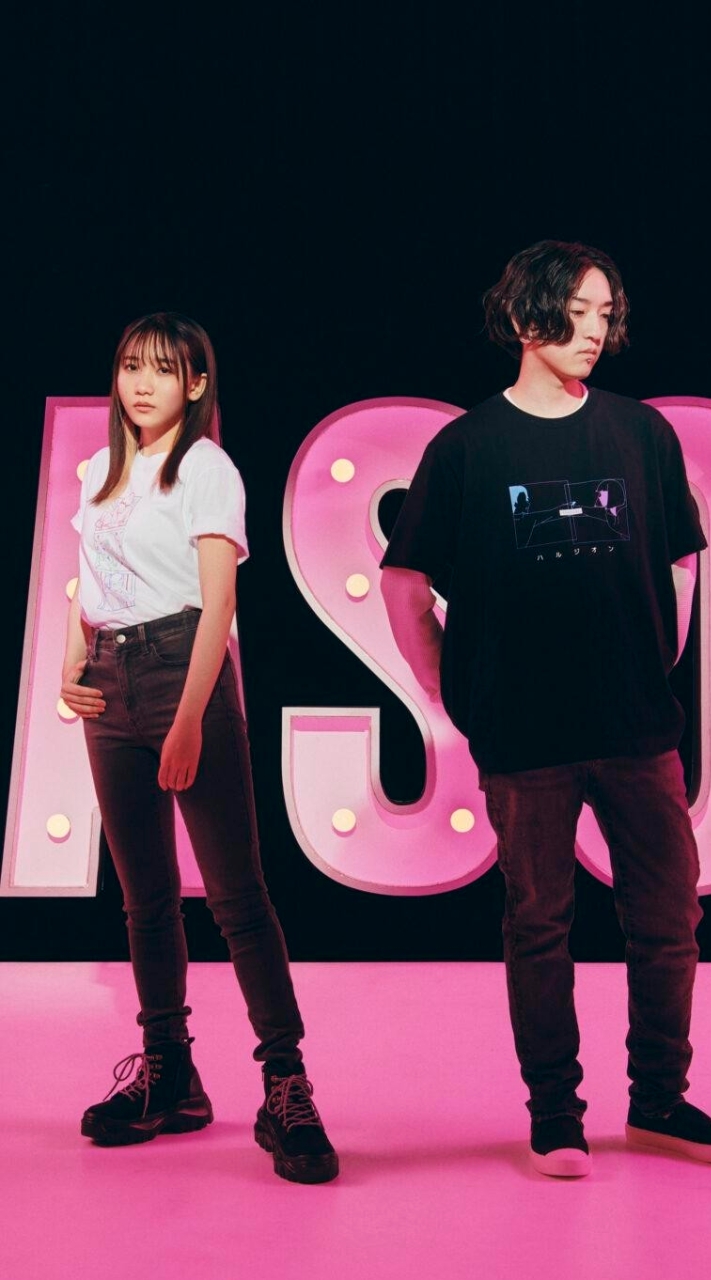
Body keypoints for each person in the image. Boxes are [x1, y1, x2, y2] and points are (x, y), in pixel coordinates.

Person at [380, 240, 711, 1177]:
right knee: (540, 927)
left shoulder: (641, 434)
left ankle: (659, 1101)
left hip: (637, 727)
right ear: (528, 314)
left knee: (669, 920)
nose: (596, 329)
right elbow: (405, 584)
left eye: (606, 312)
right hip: (525, 735)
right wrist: (452, 688)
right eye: (579, 309)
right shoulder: (467, 447)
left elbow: (680, 556)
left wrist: (657, 648)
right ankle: (556, 1115)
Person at [61, 312, 338, 1184]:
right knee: (145, 899)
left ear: (196, 384)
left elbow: (218, 604)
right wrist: (72, 659)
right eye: (129, 366)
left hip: (185, 670)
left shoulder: (207, 470)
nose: (141, 383)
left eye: (161, 369)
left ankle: (286, 1085)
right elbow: (88, 578)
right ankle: (169, 1076)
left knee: (236, 897)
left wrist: (187, 721)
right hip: (109, 681)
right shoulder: (100, 469)